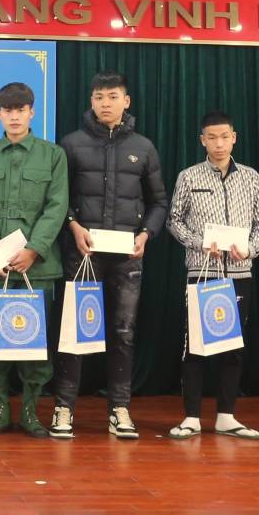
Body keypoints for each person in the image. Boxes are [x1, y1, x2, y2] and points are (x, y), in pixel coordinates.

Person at [50, 71, 167, 439]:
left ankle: (119, 408)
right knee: (73, 330)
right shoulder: (71, 144)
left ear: (126, 101)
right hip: (83, 254)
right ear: (91, 101)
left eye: (113, 97)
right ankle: (64, 407)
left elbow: (159, 202)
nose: (105, 103)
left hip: (127, 257)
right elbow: (59, 199)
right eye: (99, 97)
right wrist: (73, 226)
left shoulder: (144, 147)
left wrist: (146, 234)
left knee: (123, 332)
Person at [0, 82, 68, 438]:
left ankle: (30, 410)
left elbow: (57, 206)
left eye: (21, 110)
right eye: (8, 110)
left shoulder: (53, 155)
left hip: (37, 267)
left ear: (32, 112)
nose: (14, 116)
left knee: (34, 339)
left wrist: (33, 249)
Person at [166, 111, 259, 440]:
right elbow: (174, 221)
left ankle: (226, 416)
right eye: (212, 137)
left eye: (224, 137)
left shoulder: (251, 178)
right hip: (201, 272)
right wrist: (201, 243)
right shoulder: (188, 177)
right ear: (202, 140)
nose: (219, 144)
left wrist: (250, 249)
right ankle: (191, 417)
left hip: (239, 273)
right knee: (196, 346)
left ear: (234, 138)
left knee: (234, 347)